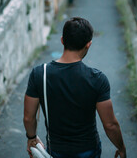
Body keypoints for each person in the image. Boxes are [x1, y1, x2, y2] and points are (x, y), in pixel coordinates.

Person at [23, 17, 126, 158]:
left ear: (62, 40)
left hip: (56, 150)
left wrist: (32, 137)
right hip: (88, 150)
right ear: (88, 44)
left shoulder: (40, 73)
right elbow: (110, 125)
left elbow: (29, 117)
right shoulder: (97, 79)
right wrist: (121, 147)